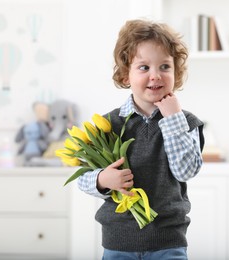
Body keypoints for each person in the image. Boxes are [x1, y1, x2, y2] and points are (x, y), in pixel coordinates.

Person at [78, 19, 205, 260]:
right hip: (118, 241)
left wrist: (173, 119)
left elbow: (185, 171)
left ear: (176, 73)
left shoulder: (185, 122)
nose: (155, 76)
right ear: (126, 74)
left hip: (168, 241)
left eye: (165, 67)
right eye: (144, 67)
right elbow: (82, 177)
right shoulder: (108, 124)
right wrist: (103, 179)